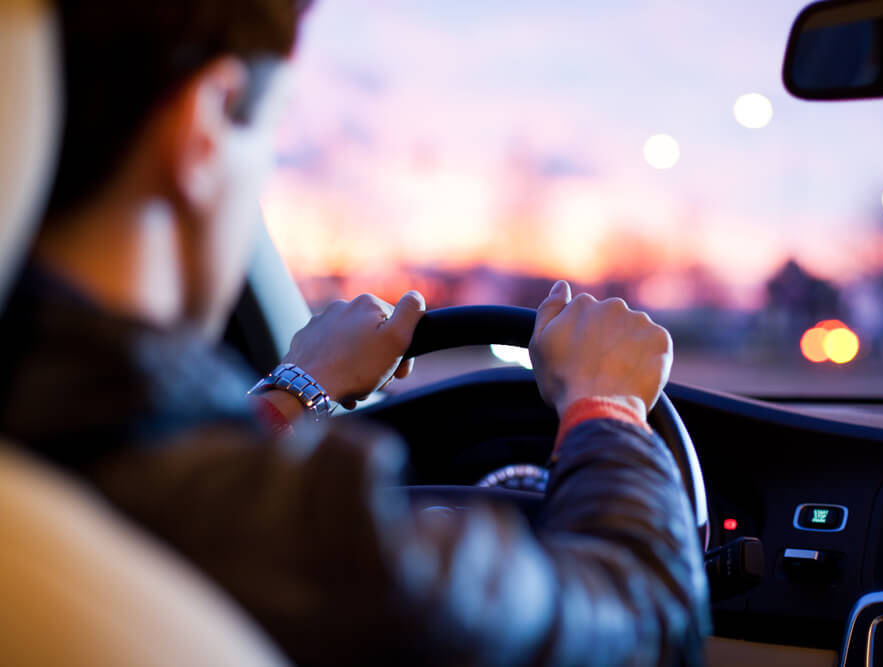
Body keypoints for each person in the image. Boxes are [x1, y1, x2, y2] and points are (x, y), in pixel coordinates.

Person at [0, 0, 711, 664]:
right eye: (273, 135)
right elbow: (643, 614)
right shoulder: (312, 543)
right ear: (206, 126)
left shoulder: (52, 434)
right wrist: (607, 408)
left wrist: (293, 389)